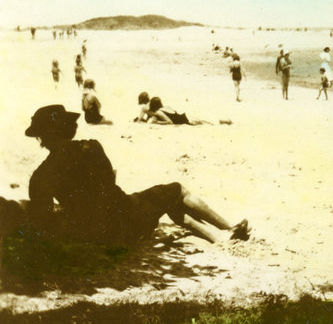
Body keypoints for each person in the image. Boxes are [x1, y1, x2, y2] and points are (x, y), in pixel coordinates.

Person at [22, 104, 249, 245]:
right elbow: (109, 181)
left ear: (42, 138)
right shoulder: (91, 147)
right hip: (127, 220)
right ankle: (227, 228)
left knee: (165, 202)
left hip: (96, 235)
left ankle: (217, 237)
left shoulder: (40, 176)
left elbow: (45, 219)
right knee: (177, 190)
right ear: (67, 130)